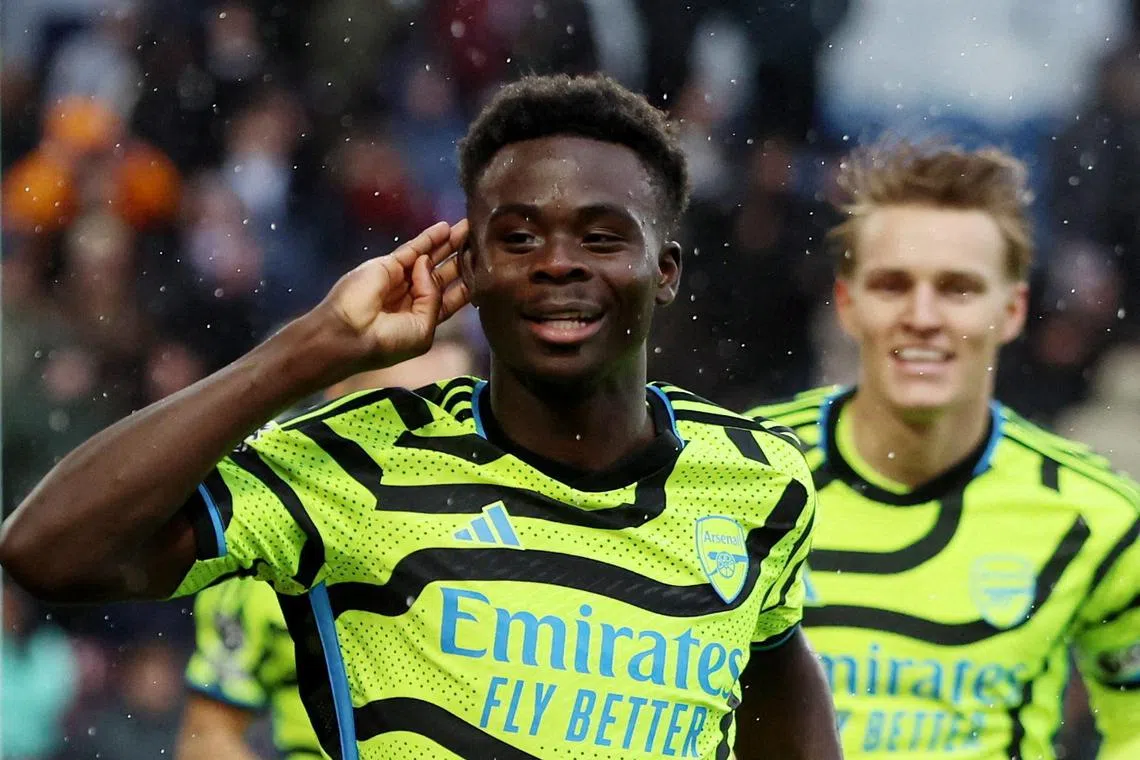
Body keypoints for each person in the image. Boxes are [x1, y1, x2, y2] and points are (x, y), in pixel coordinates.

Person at [0, 74, 841, 760]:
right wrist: (309, 350)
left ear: (666, 270)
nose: (556, 264)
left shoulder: (760, 479)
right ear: (467, 266)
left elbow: (776, 689)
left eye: (601, 236)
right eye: (517, 238)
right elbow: (49, 551)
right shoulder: (353, 465)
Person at [747, 141, 1140, 758]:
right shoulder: (738, 474)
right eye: (892, 285)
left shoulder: (1098, 516)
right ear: (848, 304)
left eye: (957, 289)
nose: (922, 316)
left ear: (1012, 310)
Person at [176, 323, 480, 760]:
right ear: (340, 391)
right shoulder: (272, 542)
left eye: (441, 413)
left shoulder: (526, 543)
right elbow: (206, 740)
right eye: (401, 408)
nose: (422, 441)